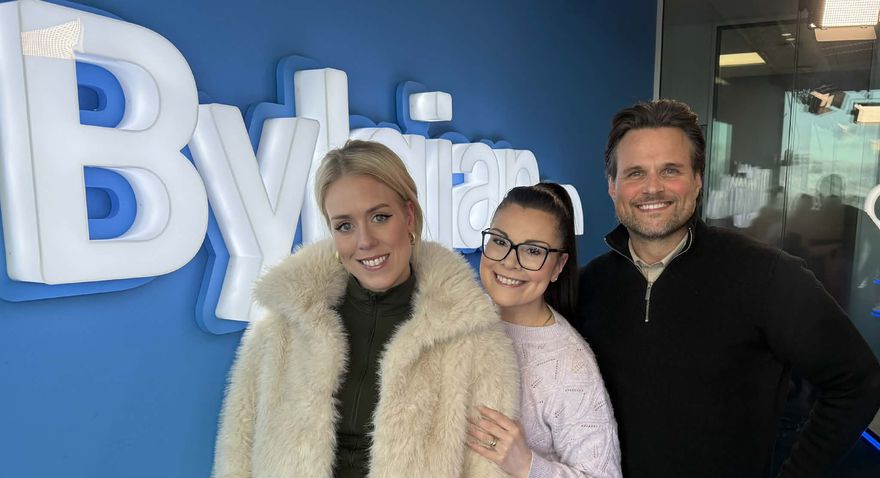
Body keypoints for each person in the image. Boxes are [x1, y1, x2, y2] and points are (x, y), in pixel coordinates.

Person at [576, 99, 880, 477]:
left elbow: (858, 382)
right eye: (635, 173)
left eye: (670, 170)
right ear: (612, 186)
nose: (652, 187)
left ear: (697, 180)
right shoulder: (588, 286)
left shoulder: (765, 275)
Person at [212, 140, 520, 477]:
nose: (365, 241)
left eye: (379, 217)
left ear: (409, 216)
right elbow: (237, 453)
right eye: (345, 225)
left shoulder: (475, 339)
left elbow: (489, 470)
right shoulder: (282, 325)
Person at [468, 183, 622, 478]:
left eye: (533, 251)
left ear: (558, 266)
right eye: (500, 241)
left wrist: (527, 465)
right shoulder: (457, 323)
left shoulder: (570, 364)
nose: (509, 261)